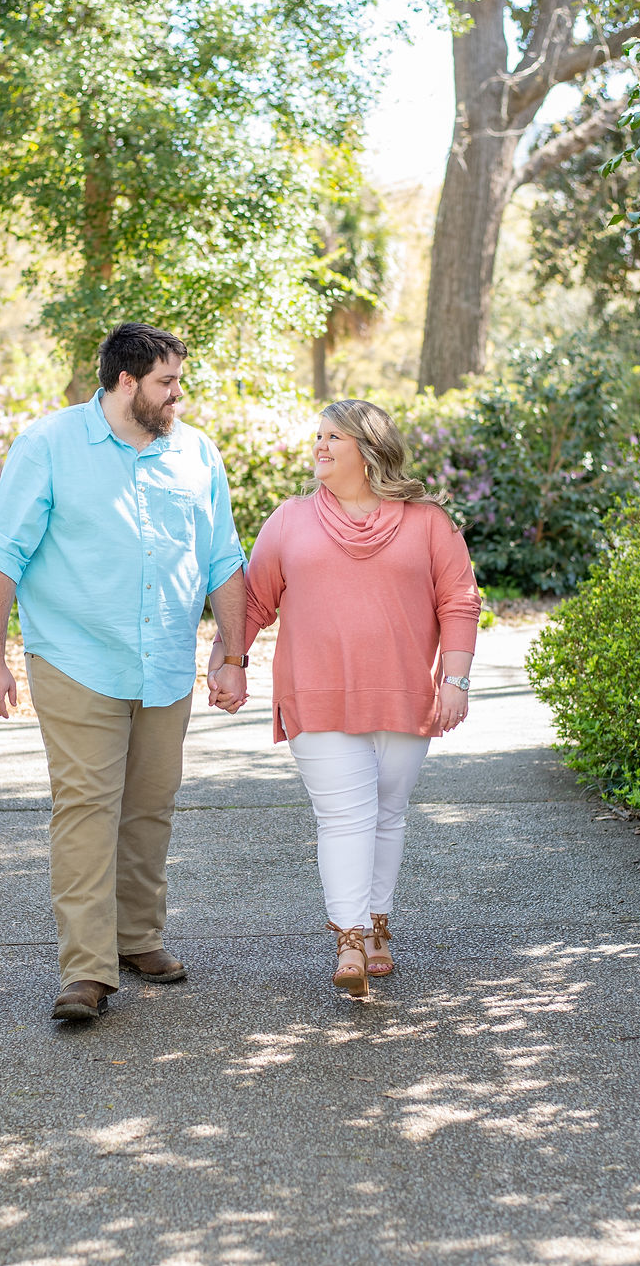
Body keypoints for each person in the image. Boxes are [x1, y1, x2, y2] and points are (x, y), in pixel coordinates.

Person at [0, 322, 248, 1023]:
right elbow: (1, 553)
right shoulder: (50, 444)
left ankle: (137, 939)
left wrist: (234, 653)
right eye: (166, 383)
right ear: (125, 382)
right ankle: (87, 971)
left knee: (151, 805)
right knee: (87, 809)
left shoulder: (195, 453)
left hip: (163, 661)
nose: (177, 395)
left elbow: (222, 558)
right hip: (76, 657)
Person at [212, 399, 480, 1000]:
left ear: (369, 448)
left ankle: (378, 923)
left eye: (335, 437)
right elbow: (254, 602)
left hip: (407, 696)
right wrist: (229, 662)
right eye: (319, 435)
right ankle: (350, 938)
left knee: (387, 816)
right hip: (317, 694)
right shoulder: (289, 520)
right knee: (344, 817)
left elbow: (458, 602)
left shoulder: (429, 521)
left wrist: (455, 682)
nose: (321, 446)